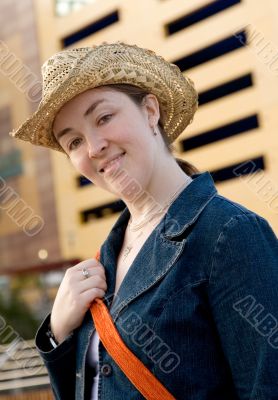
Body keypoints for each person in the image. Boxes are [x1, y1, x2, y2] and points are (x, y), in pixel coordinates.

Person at [10, 42, 278, 400]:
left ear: (150, 111)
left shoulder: (229, 233)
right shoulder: (100, 263)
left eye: (103, 118)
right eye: (73, 141)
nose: (92, 148)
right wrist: (58, 332)